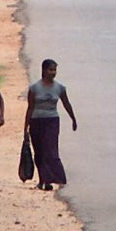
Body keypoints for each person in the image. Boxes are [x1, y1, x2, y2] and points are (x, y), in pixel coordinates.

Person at [24, 59, 78, 191]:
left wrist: (73, 118)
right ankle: (42, 180)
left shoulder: (60, 88)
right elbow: (30, 108)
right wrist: (26, 128)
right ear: (43, 70)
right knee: (39, 152)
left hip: (52, 121)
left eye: (54, 70)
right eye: (50, 70)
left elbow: (66, 103)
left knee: (50, 150)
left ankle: (55, 180)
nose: (53, 72)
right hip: (36, 121)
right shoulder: (34, 88)